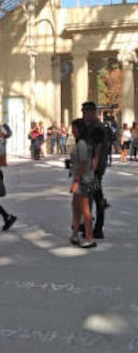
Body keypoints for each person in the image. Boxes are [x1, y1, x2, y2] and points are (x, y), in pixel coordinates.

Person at [81, 101, 111, 239]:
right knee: (93, 195)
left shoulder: (98, 128)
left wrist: (94, 167)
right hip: (91, 168)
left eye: (85, 112)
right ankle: (91, 225)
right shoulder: (90, 127)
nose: (83, 115)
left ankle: (97, 227)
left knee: (93, 196)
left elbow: (97, 150)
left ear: (92, 112)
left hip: (95, 169)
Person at [70, 118, 98, 248]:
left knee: (85, 210)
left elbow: (83, 162)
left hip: (82, 180)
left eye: (74, 128)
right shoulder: (86, 143)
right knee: (76, 206)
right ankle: (75, 234)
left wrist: (77, 180)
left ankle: (90, 238)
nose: (72, 131)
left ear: (79, 129)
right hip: (86, 178)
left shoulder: (81, 144)